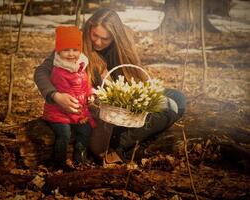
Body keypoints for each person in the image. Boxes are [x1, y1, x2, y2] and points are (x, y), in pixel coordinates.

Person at [34, 8, 186, 163]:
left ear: (114, 37)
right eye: (95, 36)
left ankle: (126, 147)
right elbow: (41, 71)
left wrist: (141, 95)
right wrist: (56, 96)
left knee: (178, 98)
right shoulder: (74, 47)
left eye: (105, 39)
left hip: (123, 106)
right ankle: (119, 145)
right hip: (102, 114)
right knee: (169, 111)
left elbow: (135, 80)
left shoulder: (120, 49)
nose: (98, 42)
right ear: (89, 28)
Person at [42, 26, 95, 169]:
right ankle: (59, 163)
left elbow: (84, 85)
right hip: (59, 112)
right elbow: (68, 98)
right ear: (58, 51)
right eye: (66, 50)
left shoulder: (79, 66)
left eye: (75, 50)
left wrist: (90, 94)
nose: (71, 54)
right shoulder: (59, 71)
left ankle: (80, 158)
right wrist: (79, 117)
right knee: (64, 134)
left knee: (85, 130)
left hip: (76, 110)